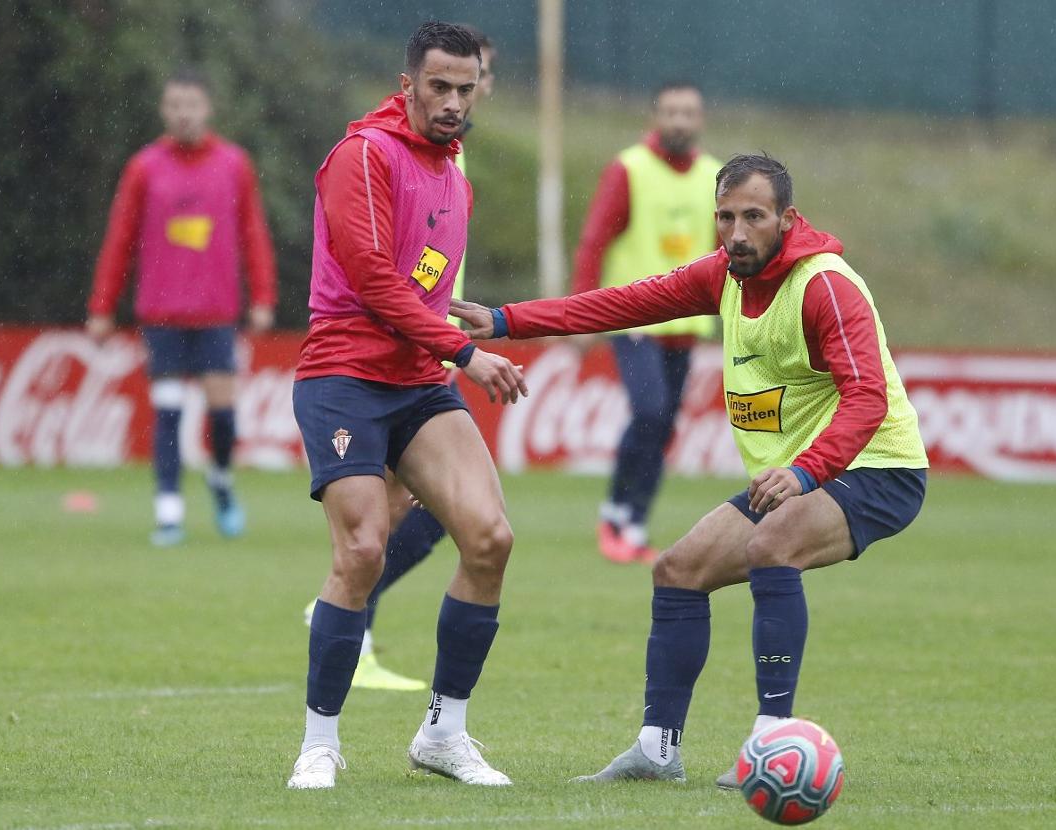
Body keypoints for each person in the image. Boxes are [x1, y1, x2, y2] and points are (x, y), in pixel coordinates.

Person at [450, 154, 928, 787]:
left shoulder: (825, 286)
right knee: (677, 571)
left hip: (877, 467)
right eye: (726, 217)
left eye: (753, 217)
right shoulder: (724, 276)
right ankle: (656, 749)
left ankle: (772, 742)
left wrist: (808, 473)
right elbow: (625, 304)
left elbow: (867, 395)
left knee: (772, 545)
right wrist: (509, 321)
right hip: (799, 476)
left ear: (787, 219)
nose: (736, 232)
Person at [286, 21, 528, 791]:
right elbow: (371, 283)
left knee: (489, 538)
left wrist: (456, 316)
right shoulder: (362, 155)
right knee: (362, 550)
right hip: (345, 376)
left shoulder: (456, 175)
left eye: (467, 88)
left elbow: (416, 278)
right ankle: (319, 743)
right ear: (408, 85)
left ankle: (444, 734)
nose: (455, 102)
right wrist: (468, 353)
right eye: (440, 87)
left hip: (420, 381)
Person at [86, 68, 277, 547]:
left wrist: (263, 296)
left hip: (216, 312)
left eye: (191, 104)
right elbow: (120, 240)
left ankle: (221, 478)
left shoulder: (234, 164)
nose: (183, 113)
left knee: (223, 415)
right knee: (167, 412)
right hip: (162, 313)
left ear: (207, 108)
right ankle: (168, 513)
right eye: (174, 105)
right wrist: (102, 306)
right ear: (163, 110)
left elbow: (253, 233)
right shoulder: (144, 167)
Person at [571, 82, 722, 565]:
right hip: (633, 316)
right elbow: (594, 241)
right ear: (656, 115)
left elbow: (727, 250)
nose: (680, 121)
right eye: (672, 112)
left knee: (665, 424)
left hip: (687, 322)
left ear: (700, 119)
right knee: (651, 410)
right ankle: (616, 511)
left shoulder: (715, 175)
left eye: (689, 113)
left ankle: (634, 522)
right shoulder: (629, 169)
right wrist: (580, 313)